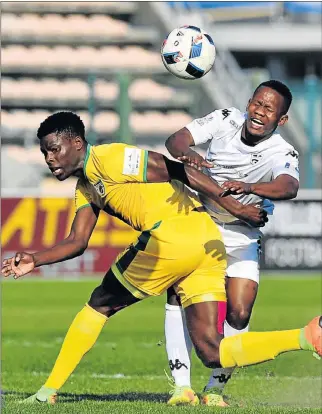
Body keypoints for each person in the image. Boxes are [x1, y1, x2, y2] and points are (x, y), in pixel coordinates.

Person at [2, 111, 320, 406]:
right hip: (205, 241)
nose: (49, 158)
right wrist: (35, 259)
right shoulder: (87, 186)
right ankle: (306, 337)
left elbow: (176, 169)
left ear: (76, 143)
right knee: (212, 350)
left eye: (54, 149)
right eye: (45, 152)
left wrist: (236, 209)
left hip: (172, 236)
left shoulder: (109, 158)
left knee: (99, 303)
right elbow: (77, 241)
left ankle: (48, 392)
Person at [164, 80, 305, 406]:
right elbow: (177, 140)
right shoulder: (225, 118)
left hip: (242, 231)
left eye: (269, 109)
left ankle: (215, 388)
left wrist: (250, 187)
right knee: (177, 294)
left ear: (280, 120)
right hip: (201, 222)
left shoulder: (282, 151)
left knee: (240, 312)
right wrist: (188, 155)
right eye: (257, 103)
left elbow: (288, 186)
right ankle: (181, 387)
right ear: (248, 102)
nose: (259, 112)